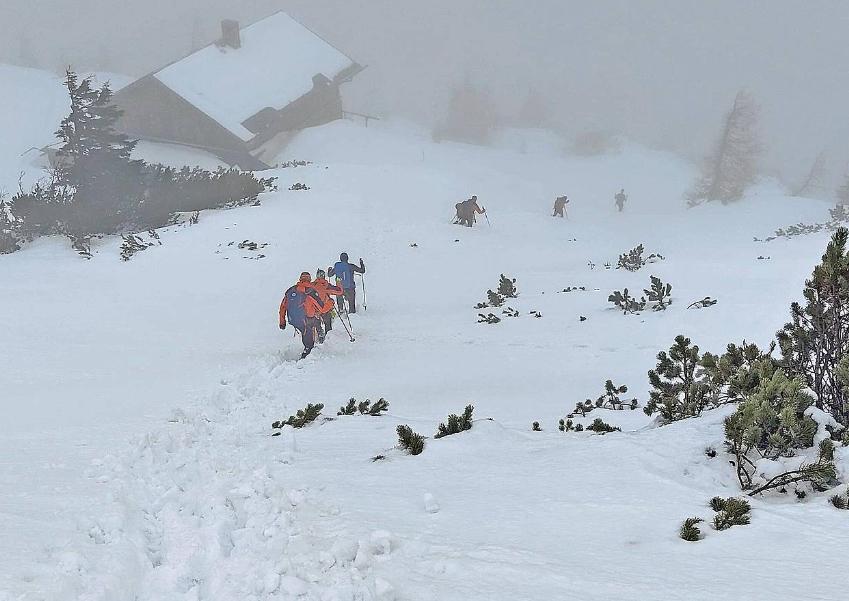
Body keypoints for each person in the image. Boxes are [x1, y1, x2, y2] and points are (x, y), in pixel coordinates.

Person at [279, 272, 323, 359]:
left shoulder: (290, 291)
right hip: (307, 319)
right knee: (310, 330)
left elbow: (282, 308)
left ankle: (308, 349)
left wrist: (282, 322)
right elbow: (321, 306)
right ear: (309, 279)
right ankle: (307, 354)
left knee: (305, 332)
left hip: (293, 319)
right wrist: (330, 304)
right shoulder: (310, 291)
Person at [312, 268, 344, 341]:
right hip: (325, 308)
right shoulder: (326, 285)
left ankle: (319, 336)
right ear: (324, 276)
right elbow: (339, 291)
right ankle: (328, 339)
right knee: (328, 324)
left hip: (314, 310)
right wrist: (338, 282)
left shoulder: (311, 285)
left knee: (316, 323)